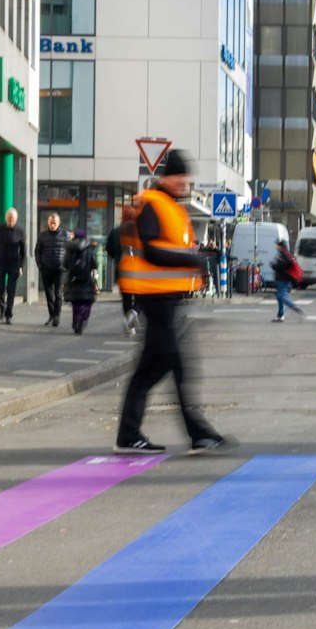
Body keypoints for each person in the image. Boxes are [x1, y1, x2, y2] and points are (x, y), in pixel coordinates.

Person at [114, 149, 232, 455]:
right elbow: (151, 250)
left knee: (151, 369)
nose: (185, 182)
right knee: (177, 365)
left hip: (168, 299)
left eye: (187, 177)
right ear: (167, 176)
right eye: (181, 176)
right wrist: (191, 257)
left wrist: (193, 261)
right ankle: (199, 433)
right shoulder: (153, 204)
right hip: (156, 299)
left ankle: (129, 435)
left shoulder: (173, 208)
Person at [35, 212, 70, 327]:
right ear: (48, 223)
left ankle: (57, 316)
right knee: (49, 294)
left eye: (55, 223)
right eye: (51, 223)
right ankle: (51, 315)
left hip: (60, 269)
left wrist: (68, 265)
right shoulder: (42, 235)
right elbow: (37, 251)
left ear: (59, 223)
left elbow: (71, 251)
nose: (53, 225)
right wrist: (40, 265)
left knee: (58, 293)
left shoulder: (65, 235)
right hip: (46, 269)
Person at [104, 220, 139, 335]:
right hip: (139, 268)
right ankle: (134, 312)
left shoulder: (115, 232)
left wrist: (117, 257)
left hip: (121, 267)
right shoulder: (139, 230)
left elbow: (109, 248)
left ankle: (129, 322)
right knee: (140, 295)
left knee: (126, 296)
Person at [64, 230, 99, 333]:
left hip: (73, 279)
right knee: (87, 301)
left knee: (76, 302)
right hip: (86, 279)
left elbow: (65, 264)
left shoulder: (70, 248)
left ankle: (76, 322)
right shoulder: (89, 249)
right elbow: (94, 264)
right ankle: (82, 317)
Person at [270, 240, 305, 322]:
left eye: (277, 245)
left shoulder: (285, 256)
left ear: (281, 247)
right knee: (280, 298)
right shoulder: (285, 254)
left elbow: (281, 266)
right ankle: (280, 316)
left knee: (280, 296)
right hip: (282, 279)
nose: (276, 247)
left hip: (283, 279)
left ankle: (297, 309)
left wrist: (274, 265)